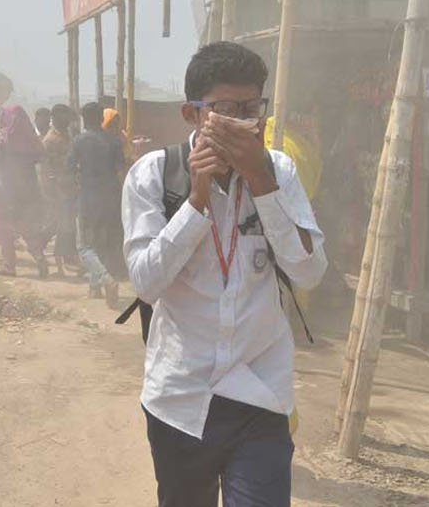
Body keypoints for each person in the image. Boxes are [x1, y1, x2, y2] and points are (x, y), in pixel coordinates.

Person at [122, 42, 326, 507]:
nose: (241, 121)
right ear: (192, 114)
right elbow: (145, 283)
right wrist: (196, 202)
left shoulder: (280, 171)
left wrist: (262, 182)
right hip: (180, 398)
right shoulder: (153, 175)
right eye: (224, 110)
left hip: (261, 394)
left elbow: (309, 272)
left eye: (251, 108)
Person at [69, 102, 125, 302]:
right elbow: (121, 173)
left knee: (84, 246)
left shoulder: (79, 141)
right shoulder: (115, 142)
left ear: (84, 119)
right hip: (110, 199)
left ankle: (105, 279)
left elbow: (70, 169)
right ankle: (95, 288)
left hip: (87, 199)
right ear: (102, 118)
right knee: (99, 244)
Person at [0, 105, 51, 278]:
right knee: (26, 226)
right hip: (29, 191)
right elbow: (42, 158)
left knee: (4, 226)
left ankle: (9, 265)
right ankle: (39, 257)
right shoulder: (32, 139)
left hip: (5, 190)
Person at [40, 104, 79, 275]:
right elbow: (46, 169)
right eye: (64, 117)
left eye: (68, 117)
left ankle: (62, 259)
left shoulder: (67, 135)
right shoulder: (50, 140)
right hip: (58, 190)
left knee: (64, 225)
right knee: (60, 225)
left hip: (69, 187)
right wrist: (52, 192)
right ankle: (40, 247)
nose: (67, 120)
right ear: (54, 118)